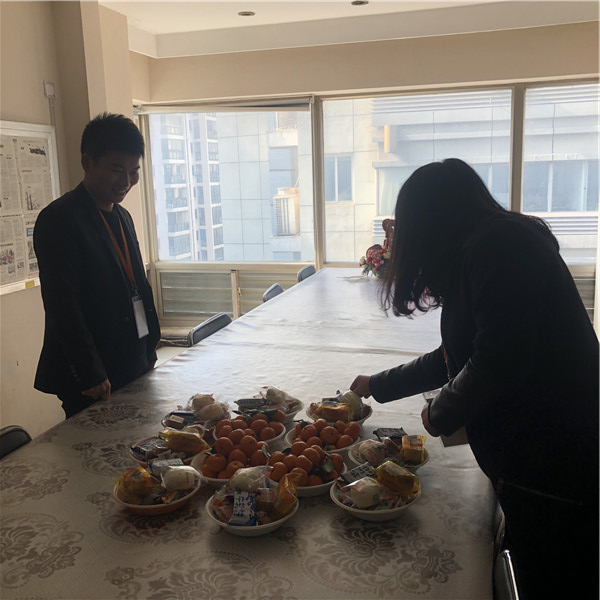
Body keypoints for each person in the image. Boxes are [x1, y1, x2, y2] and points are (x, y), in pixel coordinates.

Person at [350, 158, 598, 600]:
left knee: (556, 573)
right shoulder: (489, 247)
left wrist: (439, 413)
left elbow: (498, 361)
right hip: (544, 456)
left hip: (555, 462)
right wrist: (378, 384)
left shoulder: (499, 248)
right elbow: (455, 355)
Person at [34, 113, 161, 418]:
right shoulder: (59, 218)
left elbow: (136, 286)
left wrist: (149, 348)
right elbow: (62, 303)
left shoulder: (122, 216)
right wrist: (89, 371)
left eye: (134, 171)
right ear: (87, 162)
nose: (126, 182)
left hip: (132, 359)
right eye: (116, 170)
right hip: (93, 373)